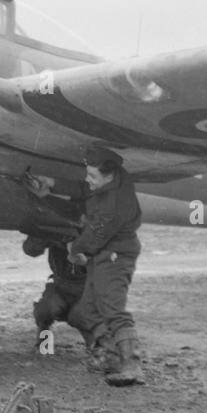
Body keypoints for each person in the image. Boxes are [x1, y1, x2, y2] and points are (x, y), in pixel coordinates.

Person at [67, 144, 143, 386]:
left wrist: (76, 250)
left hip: (115, 255)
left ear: (108, 176)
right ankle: (110, 357)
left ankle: (132, 365)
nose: (87, 180)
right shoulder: (115, 177)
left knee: (113, 310)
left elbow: (95, 236)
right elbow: (89, 190)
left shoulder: (114, 204)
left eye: (92, 176)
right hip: (104, 253)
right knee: (85, 311)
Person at [23, 235, 88, 339]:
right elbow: (31, 249)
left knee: (81, 316)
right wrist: (47, 237)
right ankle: (45, 345)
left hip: (88, 286)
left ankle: (97, 347)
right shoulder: (57, 225)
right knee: (44, 311)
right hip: (60, 285)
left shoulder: (96, 225)